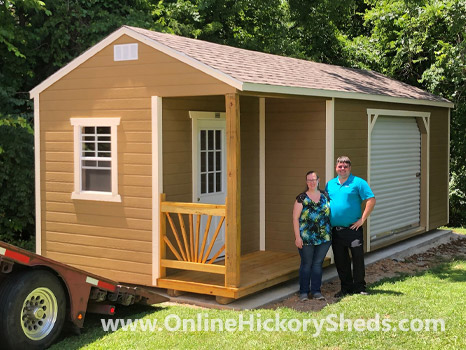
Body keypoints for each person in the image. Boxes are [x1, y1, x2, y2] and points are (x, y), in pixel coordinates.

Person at [325, 156, 376, 297]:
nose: (342, 169)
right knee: (341, 261)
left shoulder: (358, 183)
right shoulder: (330, 184)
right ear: (336, 167)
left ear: (350, 168)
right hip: (336, 230)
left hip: (353, 230)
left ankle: (360, 287)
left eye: (345, 166)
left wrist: (362, 219)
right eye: (340, 166)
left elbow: (371, 199)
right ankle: (346, 288)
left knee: (357, 258)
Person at [293, 170, 332, 301]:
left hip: (324, 237)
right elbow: (295, 218)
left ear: (318, 180)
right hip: (306, 238)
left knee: (317, 264)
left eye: (314, 179)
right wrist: (297, 237)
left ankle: (316, 291)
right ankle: (304, 292)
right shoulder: (301, 198)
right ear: (306, 182)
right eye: (309, 180)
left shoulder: (325, 196)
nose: (312, 182)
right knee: (306, 264)